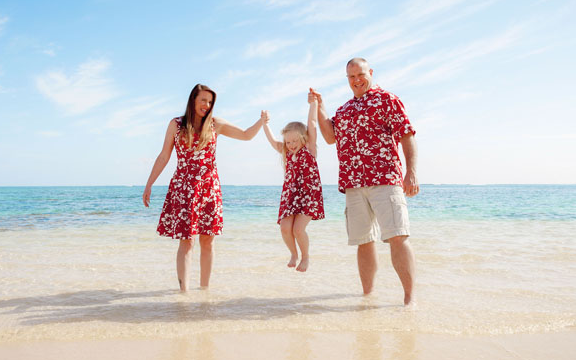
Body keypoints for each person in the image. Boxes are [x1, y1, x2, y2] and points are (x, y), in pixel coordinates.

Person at [310, 58, 418, 305]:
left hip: (385, 180)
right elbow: (329, 136)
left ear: (370, 72)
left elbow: (406, 134)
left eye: (360, 74)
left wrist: (411, 172)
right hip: (353, 184)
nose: (357, 80)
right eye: (351, 77)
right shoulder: (345, 109)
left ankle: (409, 300)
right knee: (363, 241)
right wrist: (319, 105)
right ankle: (367, 297)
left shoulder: (387, 100)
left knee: (397, 236)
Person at [142, 83, 265, 291]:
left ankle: (204, 292)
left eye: (210, 102)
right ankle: (183, 293)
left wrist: (261, 122)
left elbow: (246, 135)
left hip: (209, 188)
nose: (207, 105)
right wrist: (149, 184)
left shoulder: (215, 124)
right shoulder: (177, 124)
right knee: (187, 242)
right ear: (193, 100)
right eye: (203, 100)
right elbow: (164, 156)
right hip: (184, 188)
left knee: (208, 241)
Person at [261, 96, 325, 272]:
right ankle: (294, 254)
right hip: (291, 195)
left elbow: (312, 123)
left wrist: (313, 104)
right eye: (288, 142)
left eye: (294, 141)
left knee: (298, 229)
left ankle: (305, 258)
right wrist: (264, 123)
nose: (290, 145)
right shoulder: (286, 152)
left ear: (303, 139)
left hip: (309, 195)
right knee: (285, 228)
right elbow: (273, 141)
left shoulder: (309, 149)